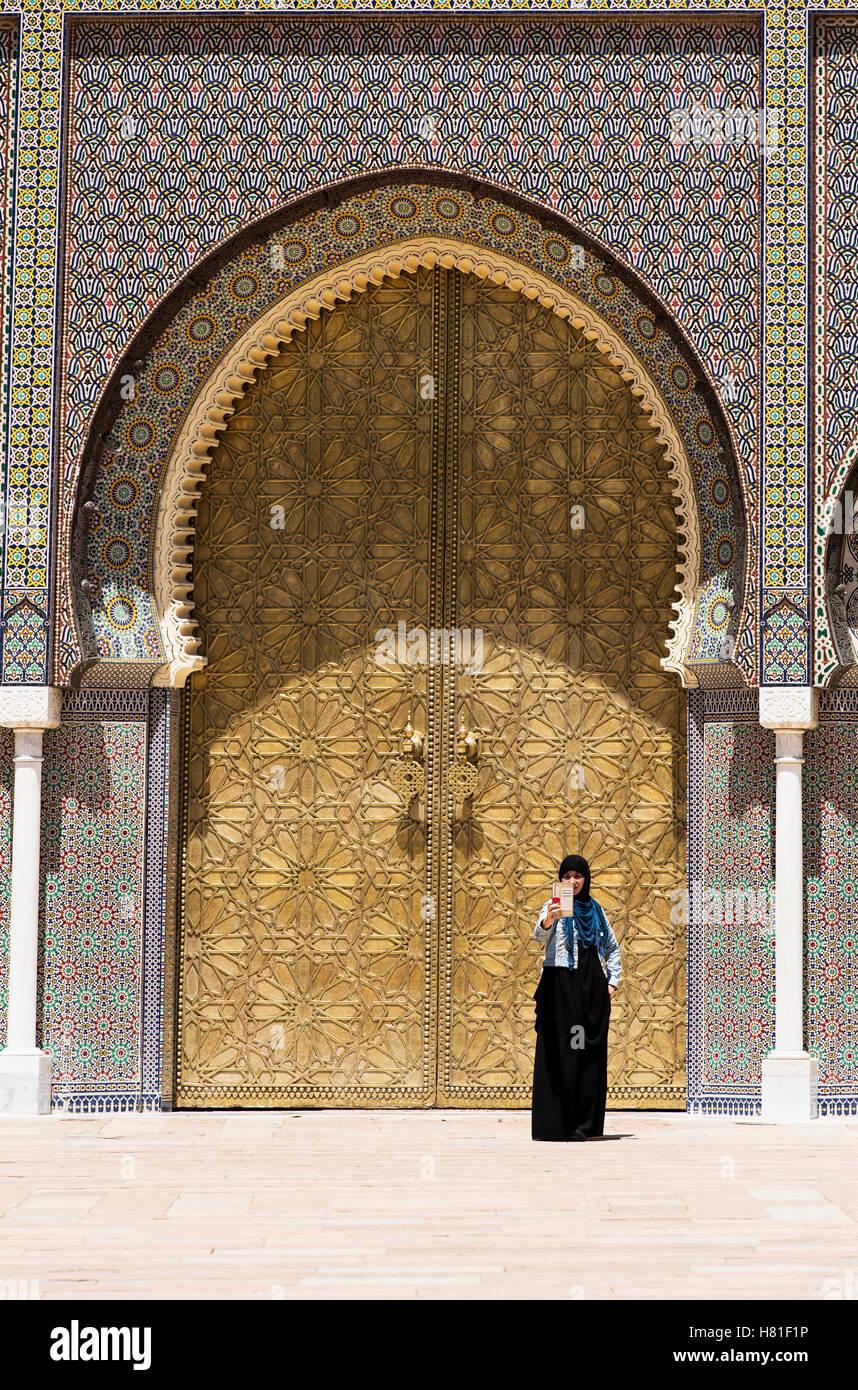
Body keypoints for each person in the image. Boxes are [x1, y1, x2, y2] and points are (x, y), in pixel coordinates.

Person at [531, 854, 621, 1141]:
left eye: (577, 876)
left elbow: (611, 947)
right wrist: (550, 919)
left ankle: (584, 1124)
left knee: (584, 1050)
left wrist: (612, 982)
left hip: (589, 988)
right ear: (560, 880)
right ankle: (557, 1123)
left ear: (586, 879)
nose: (572, 881)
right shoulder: (552, 905)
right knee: (560, 1050)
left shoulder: (596, 910)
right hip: (560, 987)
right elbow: (538, 938)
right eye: (567, 877)